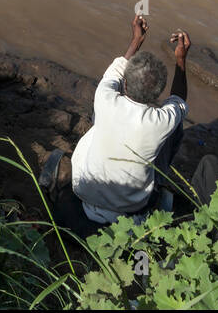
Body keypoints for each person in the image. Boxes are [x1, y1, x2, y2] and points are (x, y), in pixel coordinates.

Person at [71, 14, 189, 224]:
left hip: (83, 190)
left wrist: (136, 40)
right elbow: (178, 100)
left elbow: (115, 71)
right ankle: (159, 185)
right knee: (175, 128)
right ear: (157, 95)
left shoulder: (105, 97)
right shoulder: (160, 121)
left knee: (99, 118)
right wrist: (180, 59)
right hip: (131, 206)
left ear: (124, 84)